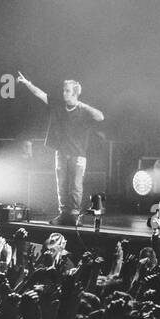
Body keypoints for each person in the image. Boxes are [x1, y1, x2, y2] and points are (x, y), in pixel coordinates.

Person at [16, 73, 105, 226]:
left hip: (78, 154)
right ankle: (63, 214)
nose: (64, 93)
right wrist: (27, 83)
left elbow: (100, 117)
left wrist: (82, 105)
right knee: (61, 185)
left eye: (67, 91)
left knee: (76, 187)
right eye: (64, 90)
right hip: (61, 153)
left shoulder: (82, 110)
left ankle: (75, 215)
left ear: (75, 93)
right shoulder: (58, 104)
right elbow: (40, 94)